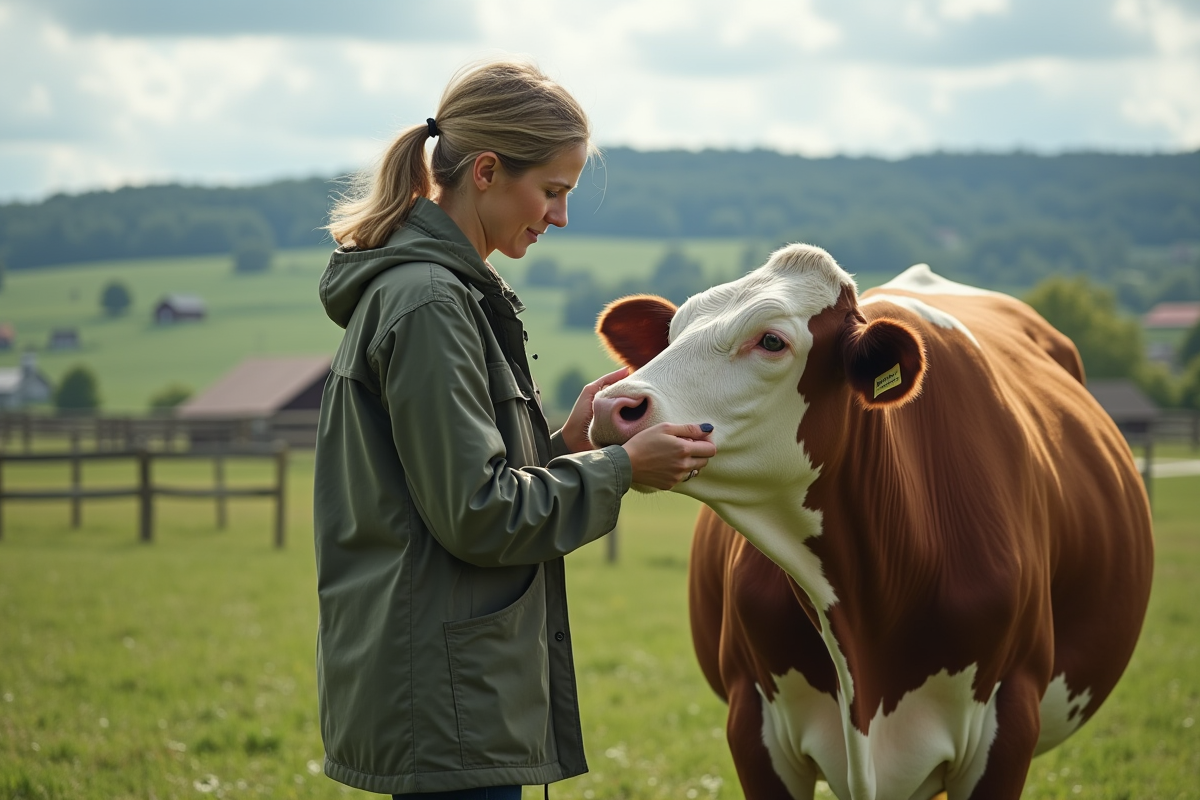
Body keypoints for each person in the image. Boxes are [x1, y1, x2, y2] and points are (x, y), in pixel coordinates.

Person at [312, 59, 717, 800]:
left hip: (454, 694)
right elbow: (479, 513)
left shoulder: (442, 294)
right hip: (450, 703)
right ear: (489, 171)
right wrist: (624, 471)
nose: (559, 217)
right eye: (553, 191)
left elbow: (452, 487)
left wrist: (573, 443)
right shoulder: (431, 304)